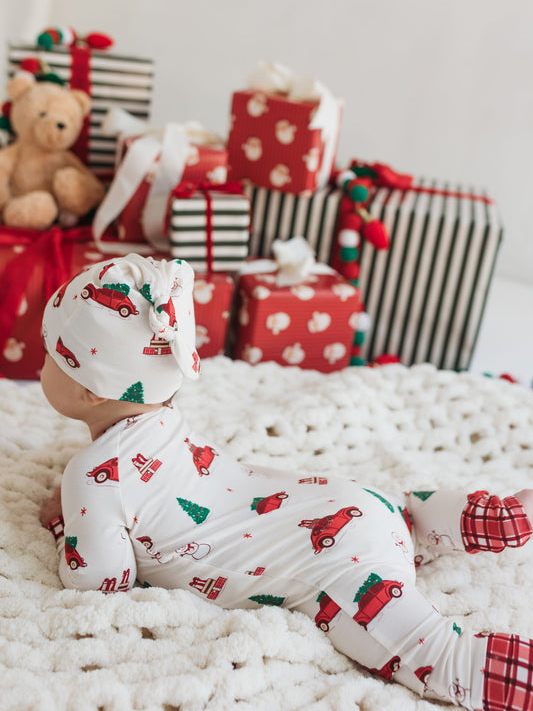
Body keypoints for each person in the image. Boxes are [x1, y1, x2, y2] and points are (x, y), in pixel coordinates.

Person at [39, 253, 533, 711]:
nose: (41, 366)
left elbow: (101, 580)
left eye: (48, 357)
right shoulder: (169, 420)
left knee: (429, 650)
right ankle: (488, 516)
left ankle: (505, 674)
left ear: (88, 390)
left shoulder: (90, 477)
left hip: (334, 566)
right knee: (410, 515)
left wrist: (66, 527)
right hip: (351, 501)